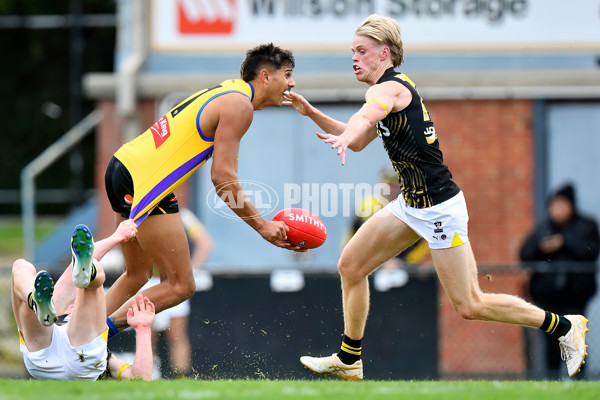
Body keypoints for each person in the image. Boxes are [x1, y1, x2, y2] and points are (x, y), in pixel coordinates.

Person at [284, 14, 590, 380]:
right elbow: (363, 136)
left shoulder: (389, 89)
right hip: (411, 205)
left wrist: (347, 136)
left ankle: (564, 326)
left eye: (361, 51)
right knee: (350, 266)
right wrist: (314, 114)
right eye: (352, 51)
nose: (354, 58)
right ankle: (350, 360)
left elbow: (367, 117)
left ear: (385, 53)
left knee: (470, 303)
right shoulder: (388, 89)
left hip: (440, 210)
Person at [103, 43, 303, 336]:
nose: (292, 83)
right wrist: (262, 225)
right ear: (265, 76)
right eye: (287, 75)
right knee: (180, 285)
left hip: (123, 166)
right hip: (143, 180)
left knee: (137, 274)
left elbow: (227, 173)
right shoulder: (240, 106)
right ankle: (93, 337)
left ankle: (74, 330)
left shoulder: (231, 92)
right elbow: (221, 177)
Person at [12, 220, 156, 380]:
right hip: (67, 351)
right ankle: (36, 300)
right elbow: (140, 378)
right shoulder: (57, 308)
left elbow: (140, 377)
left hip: (46, 359)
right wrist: (116, 237)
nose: (73, 303)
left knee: (21, 267)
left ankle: (83, 275)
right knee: (22, 266)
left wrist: (143, 328)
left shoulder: (108, 360)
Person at [520, 183, 599, 377]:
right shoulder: (544, 229)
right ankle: (552, 381)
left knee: (574, 341)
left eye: (562, 204)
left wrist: (564, 243)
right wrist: (542, 247)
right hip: (547, 299)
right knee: (551, 345)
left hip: (575, 298)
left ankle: (579, 381)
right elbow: (524, 253)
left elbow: (590, 251)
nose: (557, 209)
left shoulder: (586, 226)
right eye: (554, 205)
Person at [146, 207, 214, 377]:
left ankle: (178, 376)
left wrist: (189, 270)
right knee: (147, 333)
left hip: (170, 282)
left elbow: (205, 243)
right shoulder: (143, 213)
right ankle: (151, 374)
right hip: (150, 282)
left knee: (172, 335)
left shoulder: (183, 215)